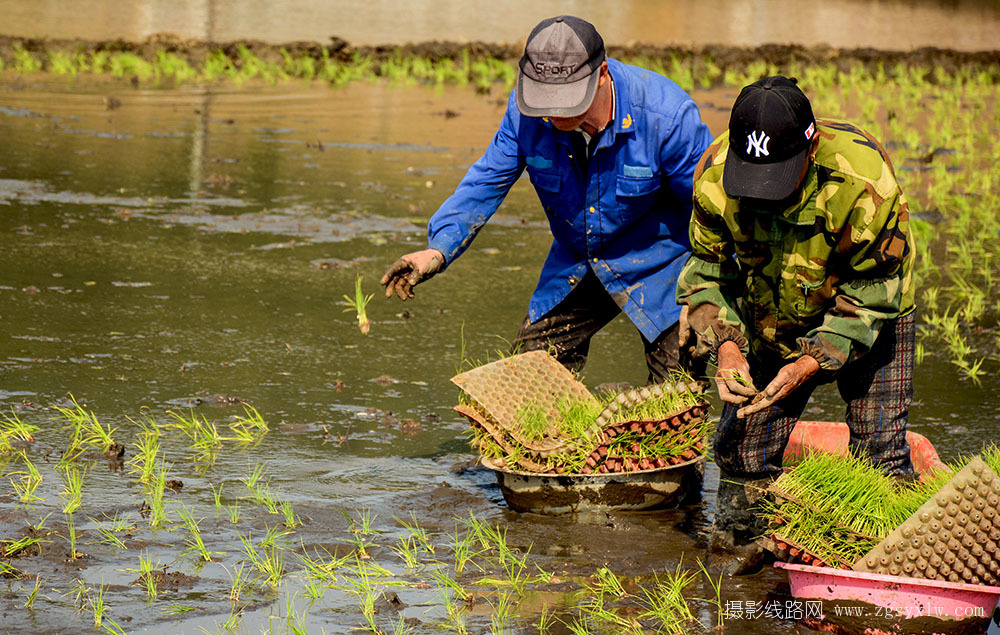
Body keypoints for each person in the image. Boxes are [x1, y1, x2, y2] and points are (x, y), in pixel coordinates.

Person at [381, 15, 712, 382]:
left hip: (662, 264)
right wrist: (437, 250)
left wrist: (707, 291)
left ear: (602, 74)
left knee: (676, 398)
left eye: (567, 100)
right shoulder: (526, 115)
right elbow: (486, 181)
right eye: (545, 100)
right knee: (527, 382)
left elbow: (712, 213)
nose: (554, 113)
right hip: (579, 260)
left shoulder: (668, 119)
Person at [676, 76, 916, 573]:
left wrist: (814, 359)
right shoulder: (715, 177)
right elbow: (707, 272)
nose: (764, 195)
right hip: (766, 313)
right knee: (740, 449)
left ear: (811, 150)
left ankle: (883, 582)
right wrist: (726, 343)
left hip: (867, 313)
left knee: (881, 459)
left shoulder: (862, 182)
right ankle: (743, 572)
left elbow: (875, 290)